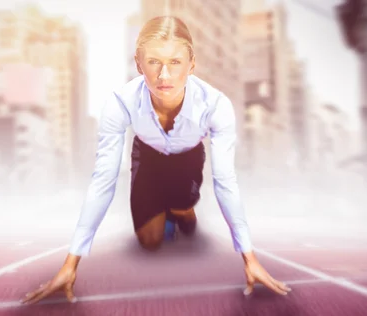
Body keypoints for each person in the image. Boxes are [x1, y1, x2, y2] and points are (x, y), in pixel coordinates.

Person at [21, 16, 291, 305]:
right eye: (153, 62)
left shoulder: (216, 105)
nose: (164, 75)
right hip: (147, 157)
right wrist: (70, 265)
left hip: (187, 157)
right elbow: (103, 180)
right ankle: (168, 209)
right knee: (150, 242)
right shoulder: (119, 102)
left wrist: (249, 257)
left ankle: (184, 211)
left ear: (192, 64)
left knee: (181, 208)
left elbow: (226, 182)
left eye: (175, 62)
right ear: (138, 64)